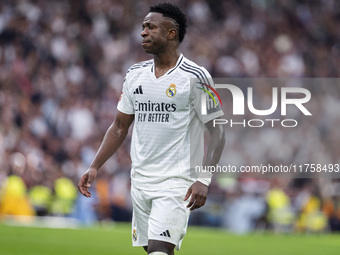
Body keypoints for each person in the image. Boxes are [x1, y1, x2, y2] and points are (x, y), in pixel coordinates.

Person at [78, 3, 225, 255]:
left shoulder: (195, 77)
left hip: (177, 182)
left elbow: (218, 131)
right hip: (140, 181)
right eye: (143, 27)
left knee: (159, 250)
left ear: (171, 33)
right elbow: (119, 126)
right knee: (152, 250)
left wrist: (204, 178)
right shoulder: (135, 74)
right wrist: (95, 165)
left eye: (151, 27)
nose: (143, 32)